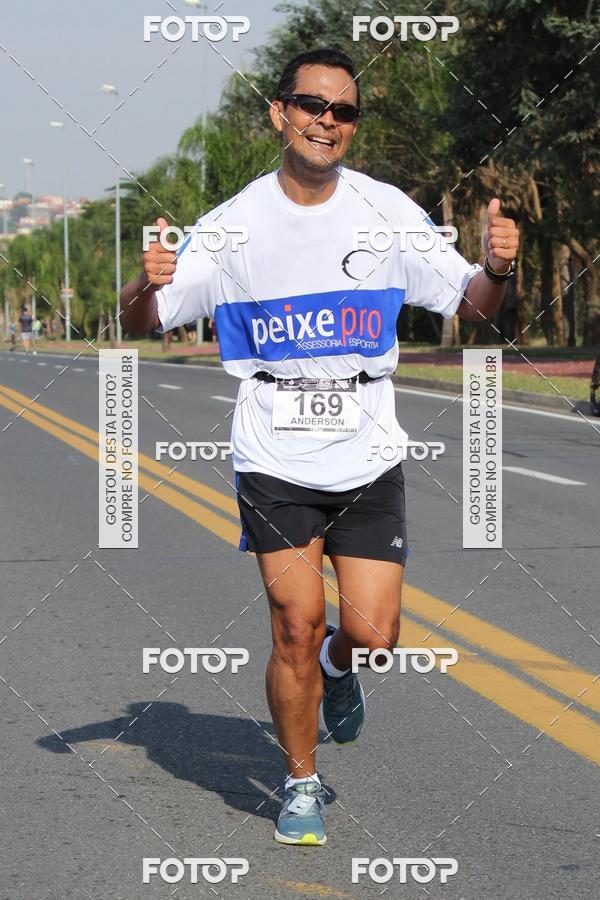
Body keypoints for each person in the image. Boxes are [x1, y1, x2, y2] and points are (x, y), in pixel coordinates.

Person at [120, 47, 519, 846]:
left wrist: (499, 267)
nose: (326, 121)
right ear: (280, 113)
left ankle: (341, 673)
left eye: (343, 111)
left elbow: (475, 308)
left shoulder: (388, 211)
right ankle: (301, 782)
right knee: (294, 624)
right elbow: (144, 324)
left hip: (367, 448)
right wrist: (144, 284)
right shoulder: (233, 225)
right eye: (311, 105)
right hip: (274, 450)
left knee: (373, 636)